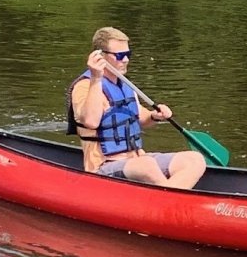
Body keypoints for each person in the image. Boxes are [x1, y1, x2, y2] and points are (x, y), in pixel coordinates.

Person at [66, 26, 206, 189]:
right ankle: (171, 201)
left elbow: (141, 118)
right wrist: (96, 78)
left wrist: (154, 116)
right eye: (119, 55)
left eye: (128, 54)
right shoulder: (85, 86)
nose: (125, 59)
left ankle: (168, 198)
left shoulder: (125, 85)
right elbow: (90, 121)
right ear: (100, 55)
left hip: (138, 159)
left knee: (194, 160)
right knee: (146, 165)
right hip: (104, 166)